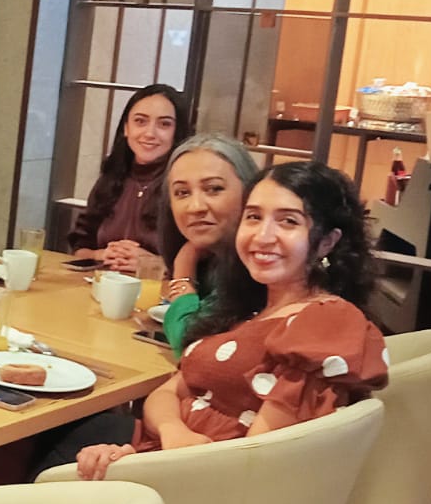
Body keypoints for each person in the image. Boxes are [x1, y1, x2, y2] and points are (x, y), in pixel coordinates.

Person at [38, 161, 388, 480]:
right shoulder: (249, 306)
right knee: (44, 436)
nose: (262, 236)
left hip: (196, 485)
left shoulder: (323, 323)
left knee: (32, 455)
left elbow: (253, 463)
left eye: (288, 221)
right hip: (167, 451)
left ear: (327, 242)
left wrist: (141, 464)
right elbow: (168, 391)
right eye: (253, 217)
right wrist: (173, 432)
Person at [69, 84, 191, 278]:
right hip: (101, 287)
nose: (150, 133)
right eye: (140, 121)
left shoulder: (187, 186)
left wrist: (155, 265)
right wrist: (103, 255)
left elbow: (205, 261)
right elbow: (80, 247)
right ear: (126, 127)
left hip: (161, 294)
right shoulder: (111, 178)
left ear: (177, 132)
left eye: (164, 124)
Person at [156, 133, 258, 350]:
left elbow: (190, 343)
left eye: (214, 189)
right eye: (182, 193)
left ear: (250, 192)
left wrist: (183, 273)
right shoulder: (209, 260)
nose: (196, 207)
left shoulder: (262, 267)